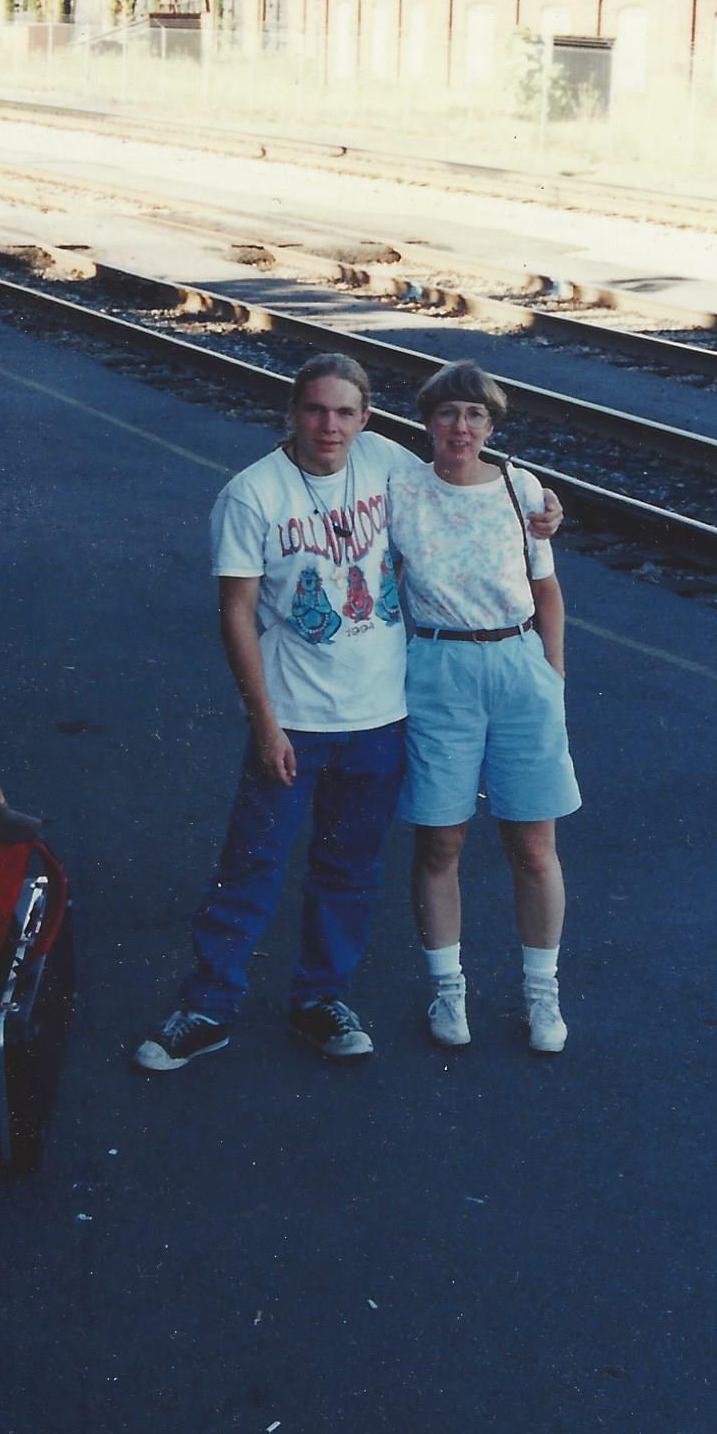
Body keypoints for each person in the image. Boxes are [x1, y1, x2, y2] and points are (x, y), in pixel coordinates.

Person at [134, 352, 562, 1070]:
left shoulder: (387, 462)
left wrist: (546, 511)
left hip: (382, 715)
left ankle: (319, 999)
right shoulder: (252, 494)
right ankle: (207, 1005)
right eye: (315, 410)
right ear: (292, 413)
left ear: (366, 419)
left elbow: (467, 472)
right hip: (295, 720)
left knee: (350, 870)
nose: (329, 426)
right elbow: (235, 614)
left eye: (344, 412)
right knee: (253, 866)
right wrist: (264, 721)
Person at [389, 360, 581, 1054]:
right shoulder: (401, 488)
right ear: (428, 422)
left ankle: (542, 994)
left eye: (475, 416)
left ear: (492, 427)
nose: (460, 427)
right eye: (447, 414)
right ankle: (448, 990)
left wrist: (551, 679)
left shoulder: (520, 487)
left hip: (519, 665)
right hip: (439, 666)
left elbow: (548, 591)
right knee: (441, 839)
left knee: (533, 843)